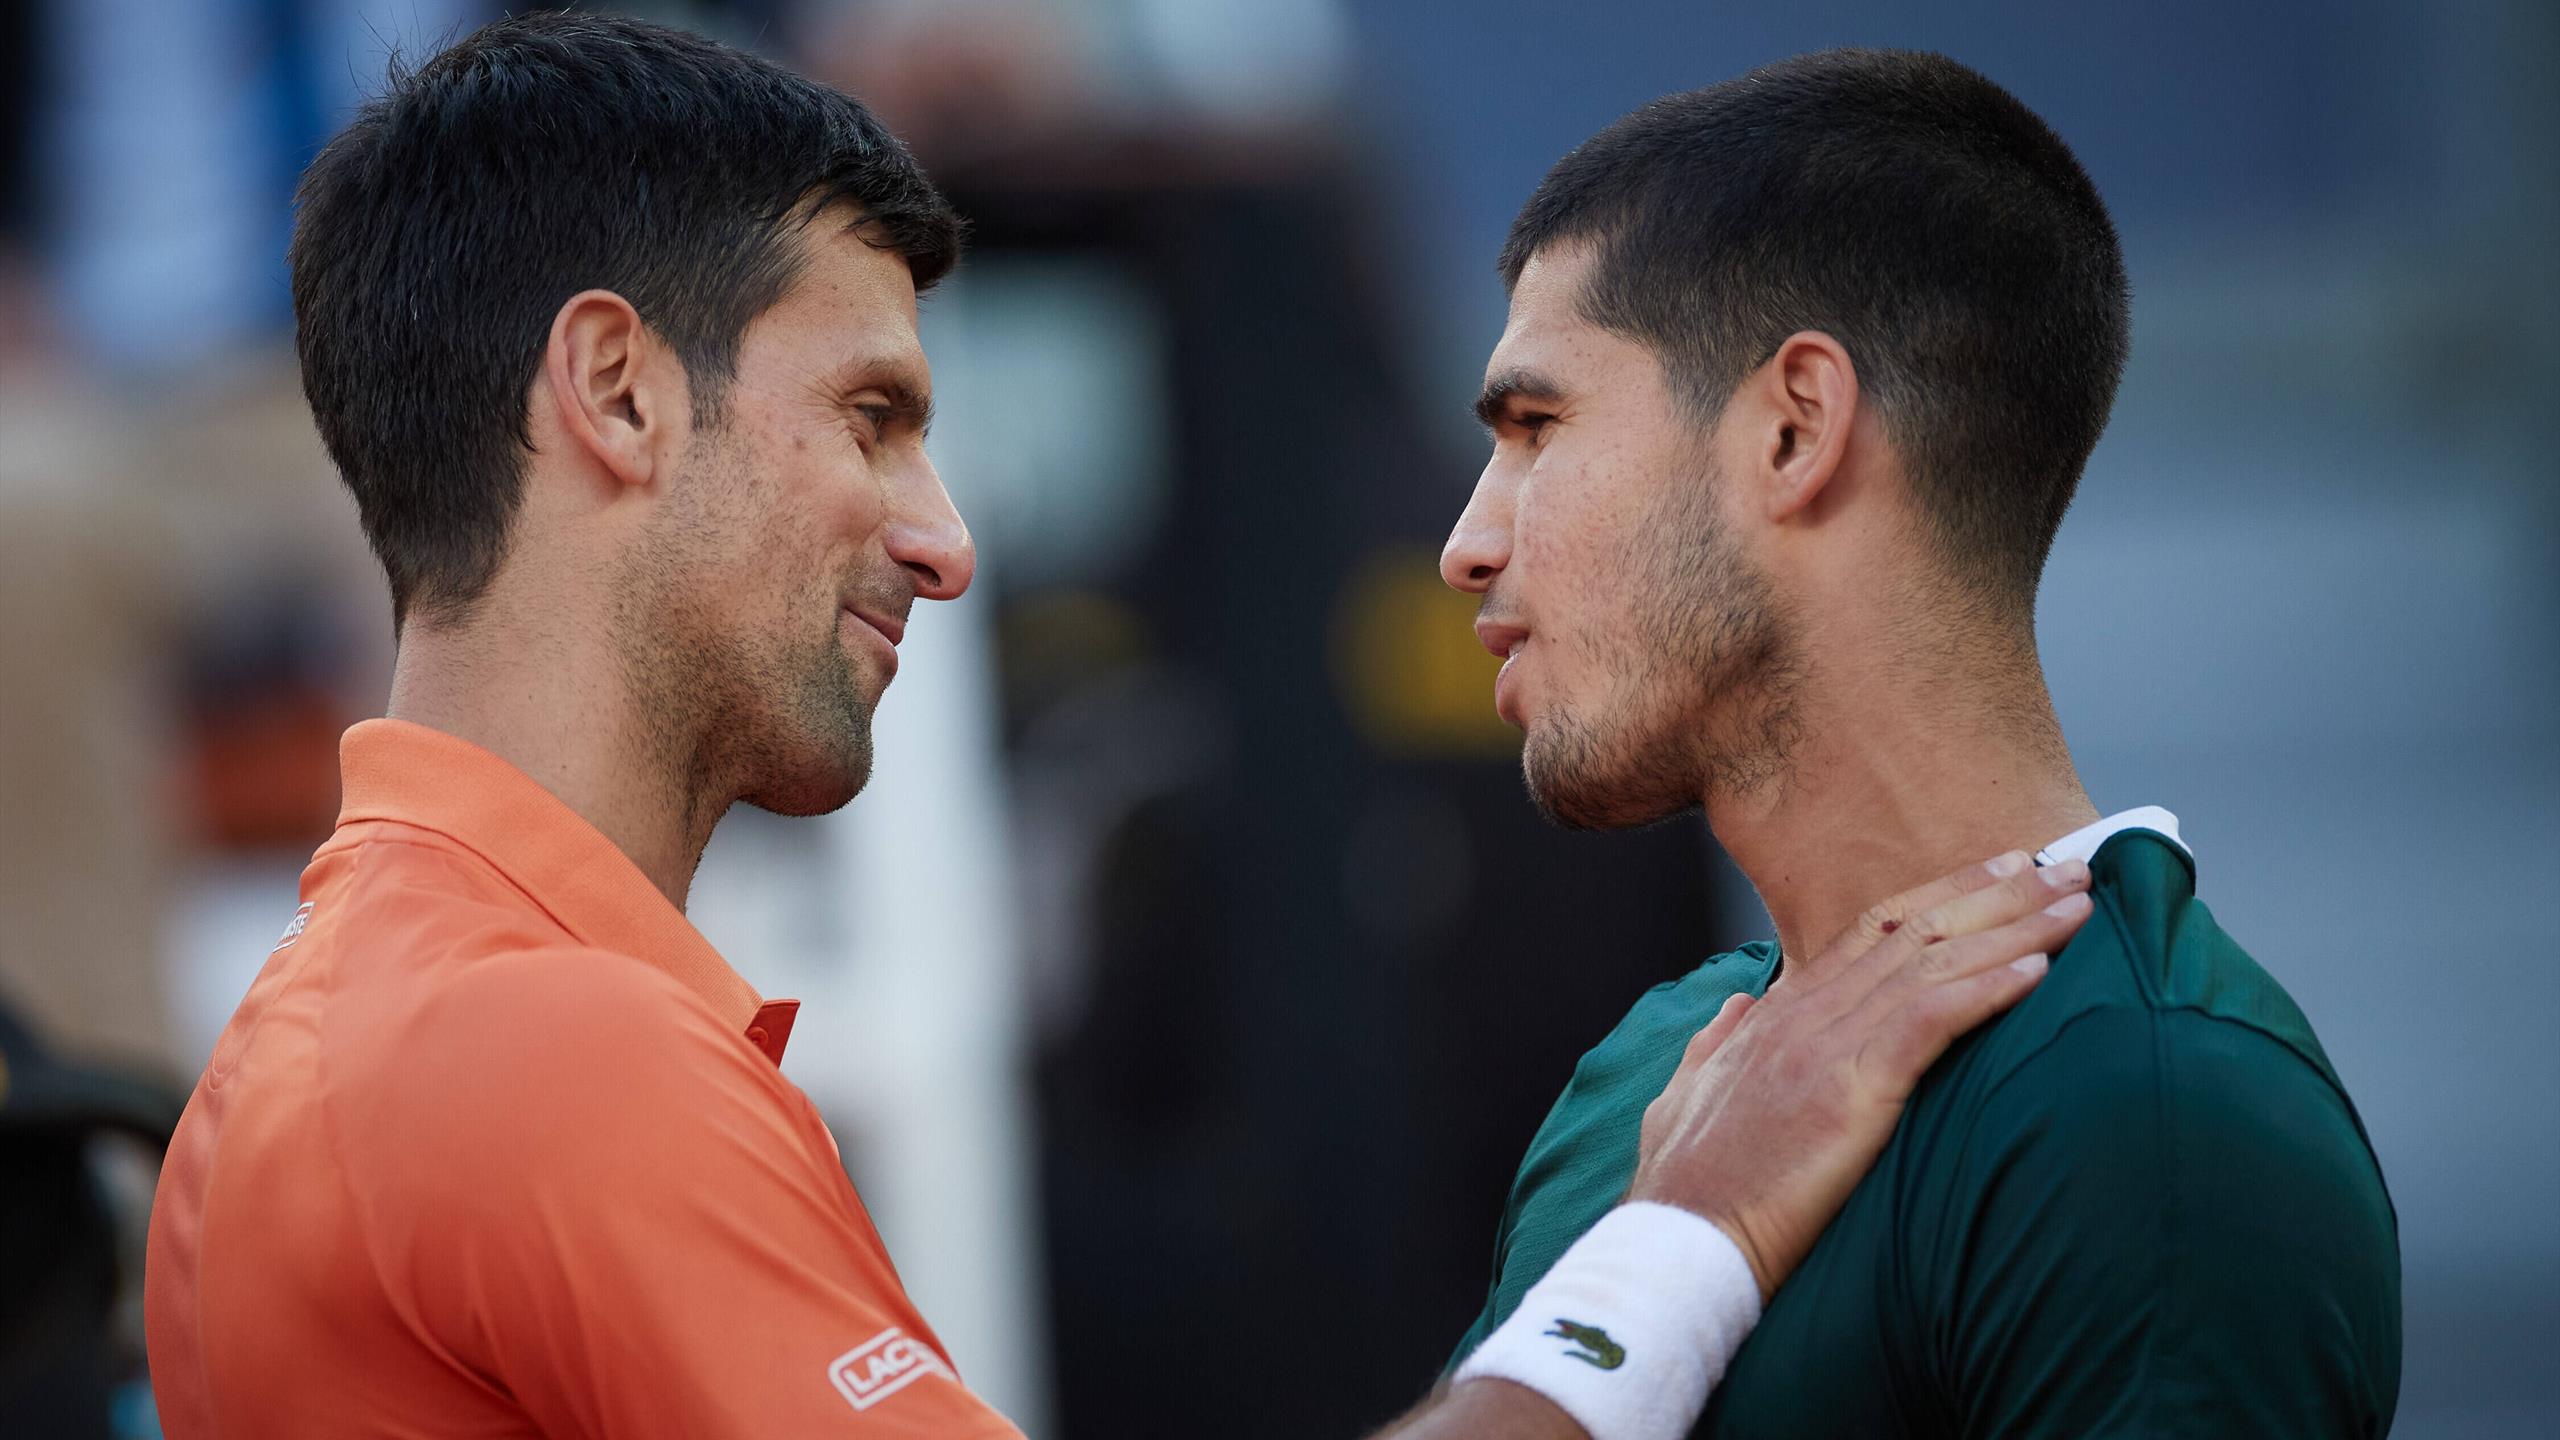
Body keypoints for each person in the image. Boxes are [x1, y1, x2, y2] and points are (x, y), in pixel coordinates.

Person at [142, 16, 2085, 1439]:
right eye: (873, 419)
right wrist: (1697, 1228)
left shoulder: (309, 1046)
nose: (945, 539)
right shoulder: (538, 1052)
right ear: (618, 397)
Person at [1434, 48, 2402, 1438]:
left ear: (1792, 429)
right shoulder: (1655, 1081)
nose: (1470, 544)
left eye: (1538, 425)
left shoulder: (2156, 1118)